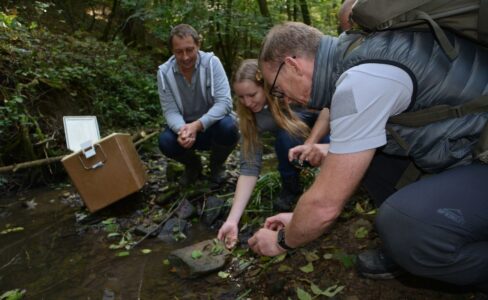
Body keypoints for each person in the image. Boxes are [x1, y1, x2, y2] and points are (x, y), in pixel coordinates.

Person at [247, 21, 488, 292]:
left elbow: (324, 206)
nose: (285, 100)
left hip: (480, 154)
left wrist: (282, 240)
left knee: (405, 228)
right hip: (472, 146)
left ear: (292, 65)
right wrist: (299, 217)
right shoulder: (358, 49)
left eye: (278, 90)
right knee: (363, 161)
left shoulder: (360, 82)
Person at [217, 59, 329, 249]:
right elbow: (249, 169)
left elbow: (328, 110)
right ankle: (291, 187)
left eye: (252, 94)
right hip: (291, 146)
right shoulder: (250, 116)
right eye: (241, 97)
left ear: (266, 86)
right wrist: (232, 220)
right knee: (284, 140)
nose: (248, 102)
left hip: (326, 137)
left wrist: (313, 144)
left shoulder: (289, 93)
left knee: (286, 138)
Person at [156, 24, 239, 186]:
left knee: (229, 127)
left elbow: (225, 103)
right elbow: (170, 110)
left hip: (213, 126)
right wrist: (183, 130)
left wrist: (197, 125)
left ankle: (216, 165)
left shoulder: (212, 63)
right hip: (185, 130)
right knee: (165, 141)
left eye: (190, 50)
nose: (185, 57)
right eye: (179, 52)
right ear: (172, 51)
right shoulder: (164, 73)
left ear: (198, 46)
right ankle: (193, 166)